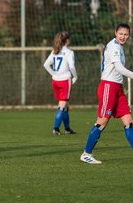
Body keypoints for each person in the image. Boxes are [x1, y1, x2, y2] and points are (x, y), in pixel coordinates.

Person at [80, 23, 133, 164]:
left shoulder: (119, 47)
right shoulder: (114, 46)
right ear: (115, 33)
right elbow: (119, 68)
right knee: (103, 121)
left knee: (129, 122)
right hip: (108, 87)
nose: (123, 36)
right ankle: (86, 153)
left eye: (126, 34)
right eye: (121, 33)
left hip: (118, 88)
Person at [43, 31, 77, 135]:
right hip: (64, 81)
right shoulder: (69, 52)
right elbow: (71, 67)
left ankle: (67, 129)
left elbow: (46, 65)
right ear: (67, 40)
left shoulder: (55, 51)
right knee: (62, 105)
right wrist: (75, 76)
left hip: (55, 81)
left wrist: (54, 74)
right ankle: (56, 128)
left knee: (65, 105)